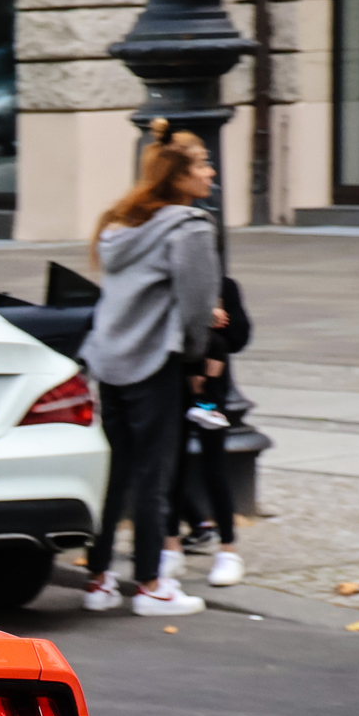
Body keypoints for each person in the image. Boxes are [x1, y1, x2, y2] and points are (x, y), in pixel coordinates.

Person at [76, 120, 225, 617]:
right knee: (154, 475)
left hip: (109, 360)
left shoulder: (120, 226)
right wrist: (198, 356)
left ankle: (98, 580)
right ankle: (150, 585)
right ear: (178, 178)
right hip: (154, 363)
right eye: (202, 164)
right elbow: (197, 303)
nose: (210, 173)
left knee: (117, 473)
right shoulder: (189, 229)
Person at [171, 274, 251, 587]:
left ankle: (228, 548)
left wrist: (218, 322)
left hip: (210, 395)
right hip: (173, 382)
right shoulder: (170, 283)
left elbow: (239, 337)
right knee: (171, 465)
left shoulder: (224, 287)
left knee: (214, 466)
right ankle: (170, 545)